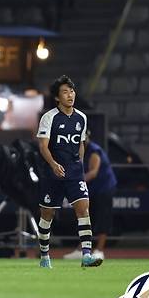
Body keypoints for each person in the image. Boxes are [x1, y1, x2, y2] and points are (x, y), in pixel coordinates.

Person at [35, 75, 103, 269]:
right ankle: (45, 256)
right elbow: (43, 147)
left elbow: (80, 144)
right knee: (47, 214)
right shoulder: (49, 118)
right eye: (65, 92)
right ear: (57, 97)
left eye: (71, 91)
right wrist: (54, 165)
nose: (70, 95)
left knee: (83, 209)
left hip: (74, 173)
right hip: (53, 174)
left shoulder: (82, 117)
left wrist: (78, 165)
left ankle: (87, 256)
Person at [63, 134, 117, 260]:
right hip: (92, 189)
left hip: (104, 188)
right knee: (87, 218)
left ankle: (99, 250)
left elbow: (93, 172)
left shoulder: (94, 150)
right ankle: (81, 249)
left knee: (103, 218)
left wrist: (76, 182)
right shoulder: (77, 150)